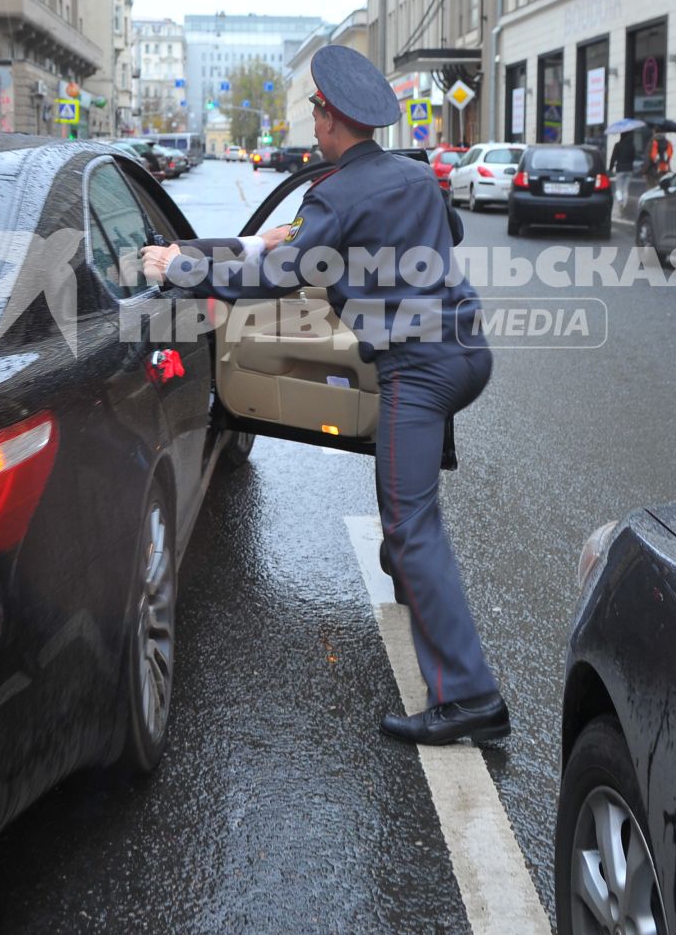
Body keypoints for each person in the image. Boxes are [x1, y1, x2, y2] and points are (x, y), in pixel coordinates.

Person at [140, 45, 508, 747]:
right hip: (466, 352)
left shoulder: (336, 194)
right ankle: (410, 575)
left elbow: (273, 276)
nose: (313, 118)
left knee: (409, 519)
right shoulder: (411, 175)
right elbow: (441, 232)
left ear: (331, 117)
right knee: (407, 496)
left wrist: (177, 264)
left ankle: (469, 696)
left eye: (315, 108)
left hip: (417, 366)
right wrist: (307, 237)